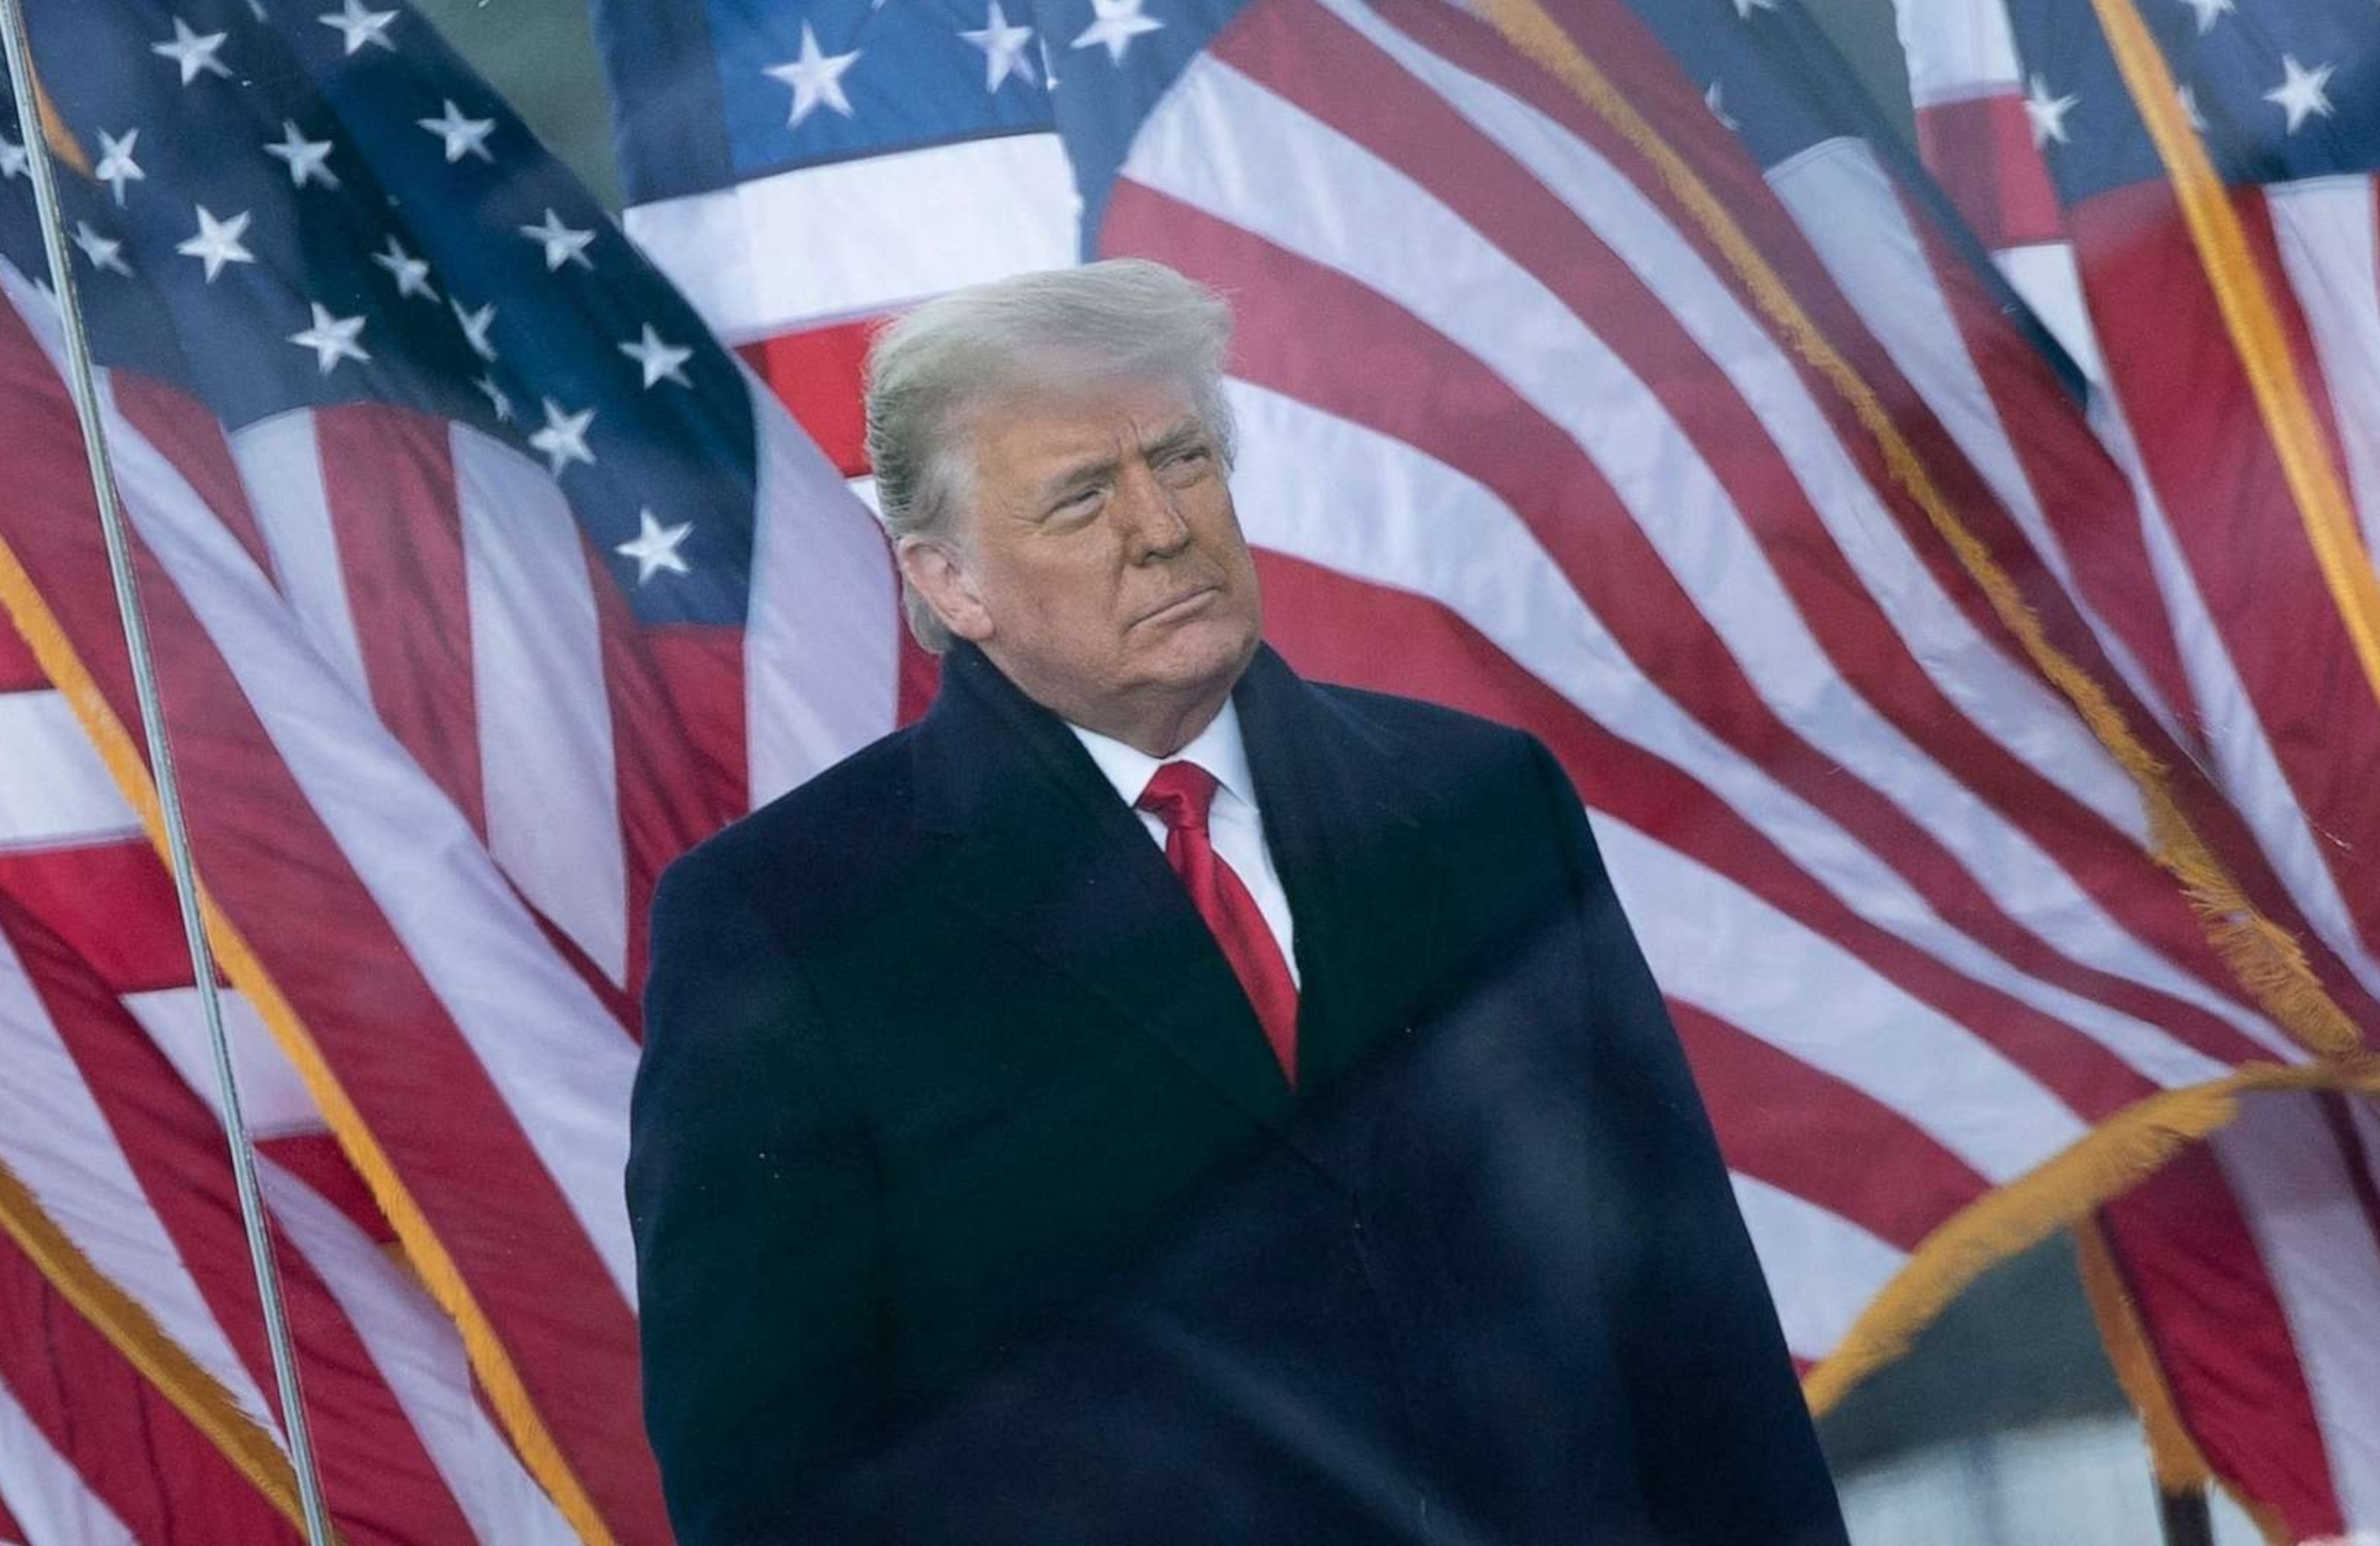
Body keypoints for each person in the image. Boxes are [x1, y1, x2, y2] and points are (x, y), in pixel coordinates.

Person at [628, 259, 1848, 1545]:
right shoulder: (786, 918)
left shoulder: (1483, 804)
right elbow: (769, 1490)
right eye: (1083, 497)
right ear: (948, 580)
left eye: (1183, 459)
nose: (1161, 526)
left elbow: (1694, 1334)